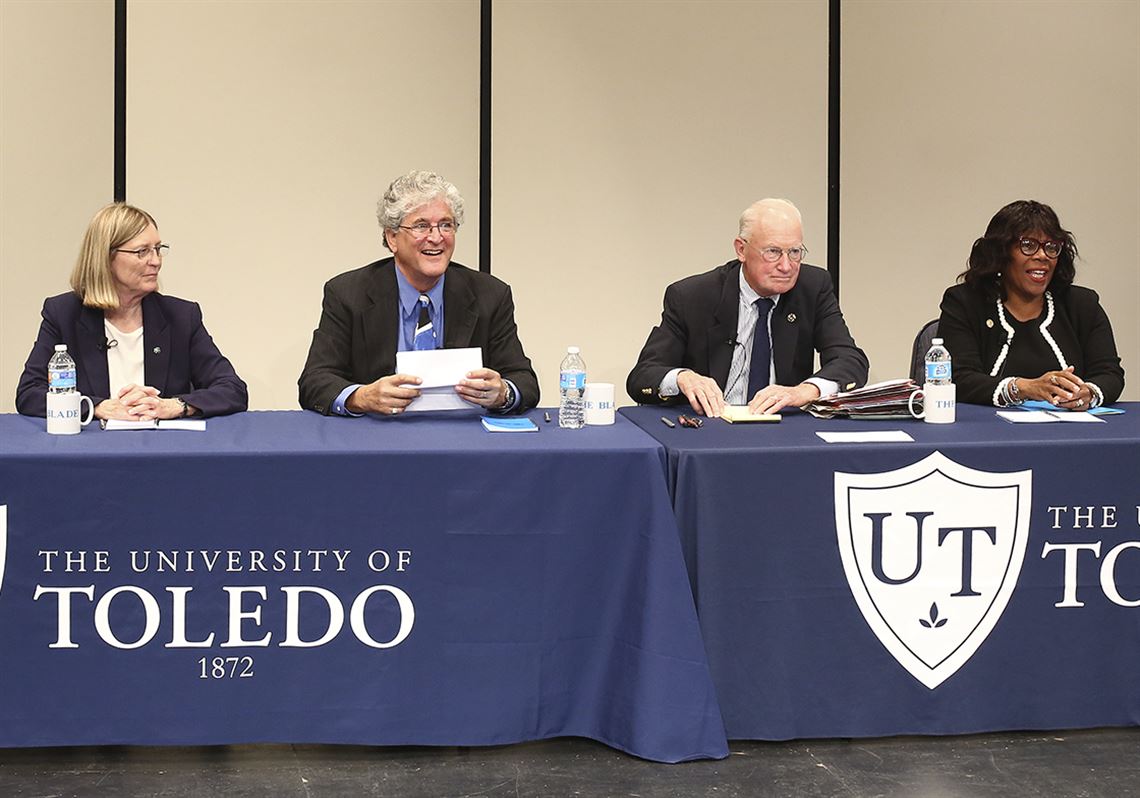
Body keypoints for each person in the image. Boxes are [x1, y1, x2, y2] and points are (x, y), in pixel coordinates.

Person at [298, 170, 538, 416]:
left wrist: (503, 393)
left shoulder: (490, 295)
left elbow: (524, 380)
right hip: (378, 432)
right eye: (422, 226)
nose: (436, 238)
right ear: (392, 237)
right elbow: (315, 381)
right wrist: (363, 397)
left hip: (462, 433)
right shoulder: (348, 294)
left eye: (446, 225)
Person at [626, 198, 868, 416]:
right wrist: (683, 378)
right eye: (773, 252)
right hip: (710, 427)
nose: (786, 266)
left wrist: (804, 391)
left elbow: (851, 360)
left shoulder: (813, 288)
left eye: (794, 252)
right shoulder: (692, 297)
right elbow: (643, 376)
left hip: (784, 430)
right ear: (741, 249)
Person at [16, 203, 248, 420]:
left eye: (158, 249)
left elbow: (232, 389)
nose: (156, 261)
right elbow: (29, 393)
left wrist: (176, 405)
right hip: (91, 445)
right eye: (142, 252)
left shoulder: (181, 316)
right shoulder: (64, 314)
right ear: (106, 257)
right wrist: (97, 407)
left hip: (164, 445)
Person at [938, 200, 1124, 408]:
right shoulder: (964, 302)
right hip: (988, 426)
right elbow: (958, 378)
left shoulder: (1082, 304)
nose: (1042, 256)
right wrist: (1023, 388)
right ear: (1001, 253)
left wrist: (1088, 393)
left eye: (1051, 247)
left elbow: (1110, 373)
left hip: (1068, 425)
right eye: (1028, 245)